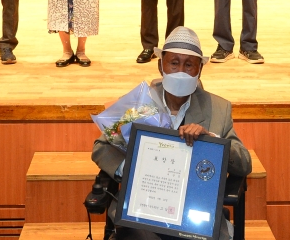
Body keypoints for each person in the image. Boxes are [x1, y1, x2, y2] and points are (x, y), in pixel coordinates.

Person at [91, 26, 252, 240]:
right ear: (161, 66)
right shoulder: (140, 103)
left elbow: (244, 162)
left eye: (189, 65)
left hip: (192, 211)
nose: (181, 71)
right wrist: (131, 170)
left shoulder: (218, 108)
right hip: (143, 206)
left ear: (199, 70)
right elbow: (101, 147)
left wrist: (211, 140)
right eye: (174, 63)